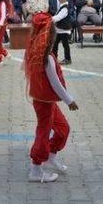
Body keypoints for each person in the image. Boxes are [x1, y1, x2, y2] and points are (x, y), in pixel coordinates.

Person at [24, 12, 79, 183]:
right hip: (45, 102)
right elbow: (55, 83)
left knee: (63, 129)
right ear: (49, 34)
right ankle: (36, 169)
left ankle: (50, 156)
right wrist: (70, 100)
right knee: (43, 132)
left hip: (47, 101)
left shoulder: (39, 51)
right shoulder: (46, 56)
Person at [51, 0, 72, 65]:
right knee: (55, 44)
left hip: (64, 30)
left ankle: (68, 59)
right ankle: (54, 58)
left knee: (65, 45)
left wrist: (49, 19)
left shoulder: (65, 8)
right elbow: (57, 16)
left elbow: (58, 17)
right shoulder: (62, 6)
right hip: (59, 29)